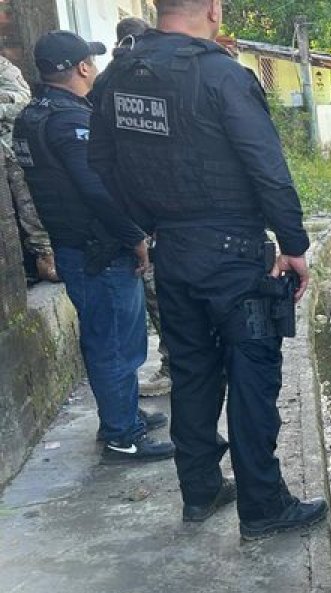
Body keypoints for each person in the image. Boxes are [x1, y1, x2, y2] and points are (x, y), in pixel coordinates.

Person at [90, 0, 328, 538]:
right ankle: (263, 506)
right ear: (214, 9)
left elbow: (100, 163)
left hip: (173, 251)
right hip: (233, 257)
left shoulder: (116, 77)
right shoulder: (221, 75)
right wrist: (293, 244)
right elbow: (267, 167)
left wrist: (149, 222)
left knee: (192, 374)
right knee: (252, 376)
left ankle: (199, 492)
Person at [14, 31, 173, 461]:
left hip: (76, 246)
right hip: (99, 251)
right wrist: (134, 236)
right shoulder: (70, 121)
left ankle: (121, 416)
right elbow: (97, 188)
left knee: (109, 340)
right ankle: (124, 436)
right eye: (92, 61)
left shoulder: (32, 116)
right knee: (116, 345)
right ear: (83, 67)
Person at [102, 16, 172, 398]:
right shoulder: (164, 77)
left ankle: (174, 365)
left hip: (145, 213)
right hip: (167, 210)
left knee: (160, 293)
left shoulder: (111, 83)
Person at [0, 54, 56, 283]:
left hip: (9, 148)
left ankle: (44, 257)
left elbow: (22, 99)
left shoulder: (3, 67)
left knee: (28, 201)